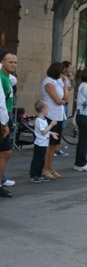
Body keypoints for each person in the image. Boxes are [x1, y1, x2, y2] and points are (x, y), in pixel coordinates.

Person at [41, 62, 69, 180]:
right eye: (62, 72)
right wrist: (62, 101)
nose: (63, 74)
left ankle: (51, 167)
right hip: (50, 114)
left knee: (54, 144)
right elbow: (58, 100)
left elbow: (66, 98)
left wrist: (65, 84)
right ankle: (45, 168)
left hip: (58, 115)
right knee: (48, 144)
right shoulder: (48, 82)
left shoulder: (58, 82)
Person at [29, 100, 59, 183]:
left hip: (43, 143)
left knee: (42, 160)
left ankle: (39, 174)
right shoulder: (39, 120)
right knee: (37, 159)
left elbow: (44, 131)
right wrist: (51, 125)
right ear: (43, 110)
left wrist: (52, 133)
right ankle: (33, 174)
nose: (48, 111)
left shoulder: (42, 119)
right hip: (39, 143)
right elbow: (43, 132)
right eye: (47, 109)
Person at [0, 52, 16, 198]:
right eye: (10, 62)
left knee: (5, 153)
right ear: (2, 62)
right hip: (3, 118)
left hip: (6, 116)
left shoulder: (7, 78)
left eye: (15, 62)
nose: (13, 65)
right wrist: (3, 122)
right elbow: (1, 103)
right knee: (5, 153)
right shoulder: (1, 77)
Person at [54, 60, 75, 157]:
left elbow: (73, 86)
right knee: (58, 126)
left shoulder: (66, 79)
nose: (71, 70)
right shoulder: (58, 80)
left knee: (62, 126)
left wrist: (71, 78)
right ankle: (54, 148)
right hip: (61, 104)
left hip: (65, 104)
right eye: (69, 68)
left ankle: (57, 147)